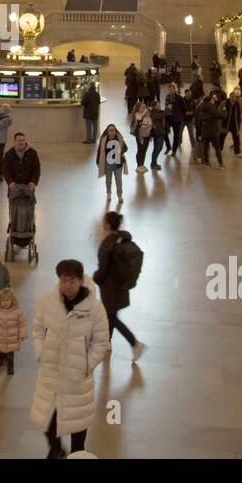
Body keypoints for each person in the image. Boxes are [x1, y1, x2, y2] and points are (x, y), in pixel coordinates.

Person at [30, 259, 109, 459]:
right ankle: (56, 450)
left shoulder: (95, 309)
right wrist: (41, 352)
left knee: (78, 422)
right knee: (48, 419)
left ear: (80, 280)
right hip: (51, 373)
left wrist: (86, 365)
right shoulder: (48, 301)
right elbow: (38, 328)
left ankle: (76, 454)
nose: (67, 285)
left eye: (72, 280)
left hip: (77, 378)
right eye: (63, 280)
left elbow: (101, 342)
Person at [93, 212, 146, 360]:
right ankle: (107, 342)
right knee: (111, 314)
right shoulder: (122, 239)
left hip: (109, 286)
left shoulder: (107, 244)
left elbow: (103, 268)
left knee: (110, 315)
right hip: (121, 284)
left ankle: (135, 343)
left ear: (108, 225)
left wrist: (96, 278)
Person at [3, 132, 41, 241]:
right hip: (14, 188)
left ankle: (29, 229)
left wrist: (33, 182)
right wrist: (10, 182)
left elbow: (37, 169)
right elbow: (5, 170)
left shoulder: (32, 153)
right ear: (14, 142)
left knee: (29, 209)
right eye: (19, 141)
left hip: (28, 188)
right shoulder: (9, 154)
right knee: (13, 209)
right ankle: (13, 228)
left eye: (23, 140)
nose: (21, 142)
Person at [0, 289, 27, 375]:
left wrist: (22, 334)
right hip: (0, 336)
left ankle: (10, 367)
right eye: (3, 301)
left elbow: (22, 324)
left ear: (12, 300)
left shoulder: (18, 312)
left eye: (7, 300)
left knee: (10, 355)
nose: (5, 303)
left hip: (12, 339)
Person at [96, 123, 127, 204]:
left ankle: (120, 195)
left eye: (113, 130)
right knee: (108, 180)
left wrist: (120, 151)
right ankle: (109, 193)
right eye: (110, 130)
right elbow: (99, 151)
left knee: (119, 180)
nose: (112, 131)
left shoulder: (119, 138)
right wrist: (97, 161)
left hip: (118, 163)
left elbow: (126, 148)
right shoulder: (104, 139)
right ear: (107, 131)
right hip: (107, 163)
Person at [129, 100, 152, 173]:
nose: (144, 109)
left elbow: (150, 124)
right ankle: (139, 165)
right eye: (142, 108)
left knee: (144, 150)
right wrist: (146, 111)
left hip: (147, 135)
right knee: (140, 150)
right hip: (140, 136)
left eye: (145, 108)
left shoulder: (147, 115)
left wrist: (149, 133)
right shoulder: (137, 115)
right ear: (138, 108)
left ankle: (142, 164)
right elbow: (139, 119)